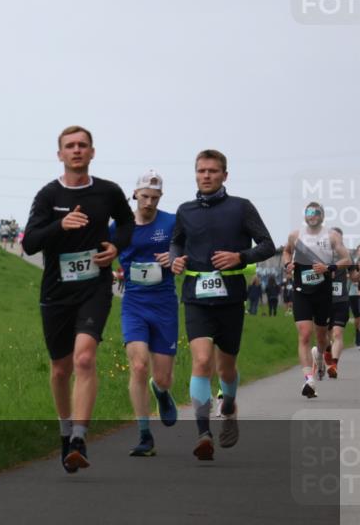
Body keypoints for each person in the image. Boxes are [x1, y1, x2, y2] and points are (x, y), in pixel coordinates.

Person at [22, 125, 134, 473]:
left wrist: (118, 246)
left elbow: (127, 223)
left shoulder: (108, 192)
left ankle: (79, 439)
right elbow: (30, 243)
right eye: (69, 146)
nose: (76, 150)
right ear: (60, 154)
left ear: (92, 152)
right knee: (60, 369)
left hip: (94, 288)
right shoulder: (47, 195)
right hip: (56, 292)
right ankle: (65, 429)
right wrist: (61, 226)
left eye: (82, 145)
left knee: (84, 359)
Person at [170, 149, 275, 460]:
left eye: (213, 171)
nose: (206, 175)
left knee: (225, 367)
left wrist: (239, 257)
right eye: (201, 170)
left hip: (230, 297)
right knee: (201, 362)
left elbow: (268, 245)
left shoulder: (241, 208)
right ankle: (203, 433)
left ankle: (229, 404)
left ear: (224, 175)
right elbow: (176, 240)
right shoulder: (185, 210)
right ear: (195, 174)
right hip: (195, 297)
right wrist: (175, 258)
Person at [111, 169, 179, 457]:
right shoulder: (118, 226)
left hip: (164, 303)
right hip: (134, 303)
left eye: (154, 197)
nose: (149, 202)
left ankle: (160, 390)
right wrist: (113, 271)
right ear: (135, 194)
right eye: (144, 196)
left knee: (162, 377)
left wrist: (176, 257)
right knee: (138, 365)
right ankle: (144, 435)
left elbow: (186, 251)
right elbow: (103, 251)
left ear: (160, 197)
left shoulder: (173, 223)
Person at [280, 203, 351, 397]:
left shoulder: (331, 236)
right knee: (304, 334)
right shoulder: (296, 235)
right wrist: (288, 264)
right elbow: (286, 251)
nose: (312, 216)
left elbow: (347, 259)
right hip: (301, 290)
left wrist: (330, 268)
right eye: (309, 213)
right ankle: (308, 380)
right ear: (304, 216)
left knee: (321, 337)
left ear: (322, 216)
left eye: (315, 213)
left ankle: (319, 357)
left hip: (323, 292)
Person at [323, 228, 355, 378]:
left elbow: (354, 276)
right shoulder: (321, 255)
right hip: (324, 301)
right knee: (325, 336)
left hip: (341, 300)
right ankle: (327, 353)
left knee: (337, 333)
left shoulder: (347, 257)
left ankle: (334, 365)